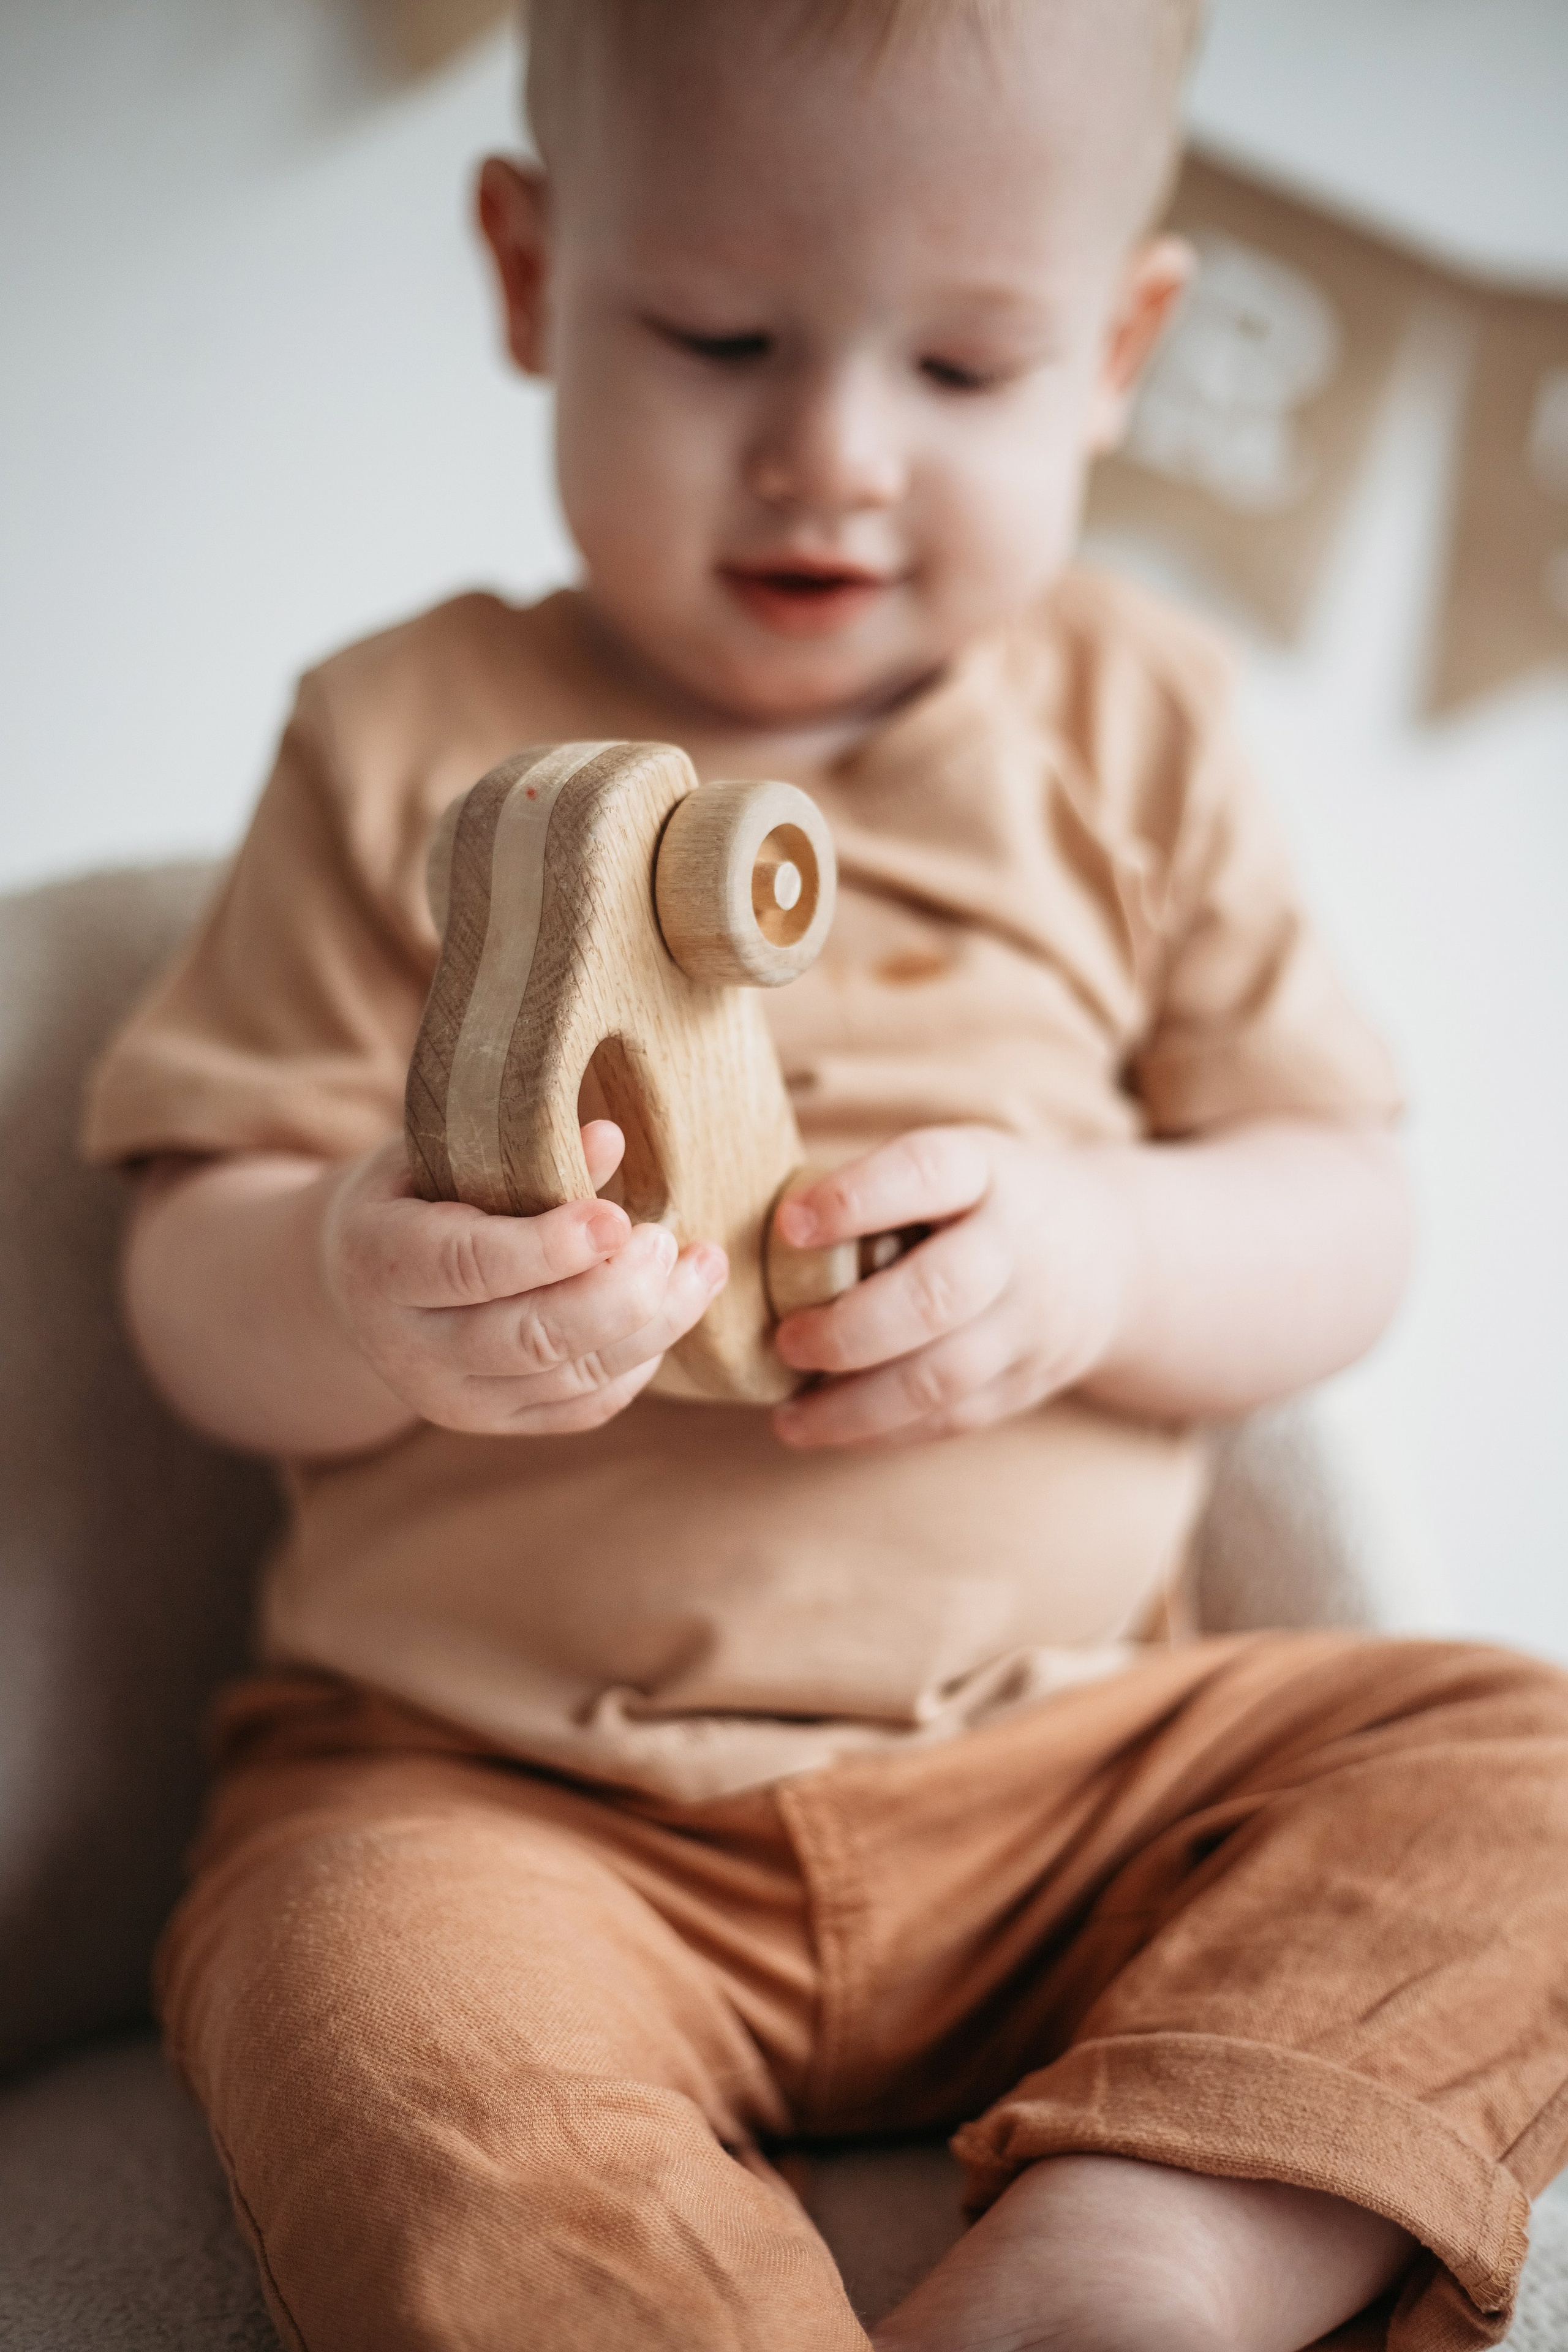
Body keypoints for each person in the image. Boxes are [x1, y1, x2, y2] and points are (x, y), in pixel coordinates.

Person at [83, 3, 1568, 2348]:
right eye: (718, 336)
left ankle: (1145, 2243)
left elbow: (1345, 1209)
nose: (833, 456)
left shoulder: (1136, 726)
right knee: (351, 1983)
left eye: (964, 367)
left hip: (1068, 1786)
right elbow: (187, 1270)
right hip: (509, 1800)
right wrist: (356, 1287)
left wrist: (1111, 1254)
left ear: (1121, 353)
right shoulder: (400, 735)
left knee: (1528, 1775)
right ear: (531, 272)